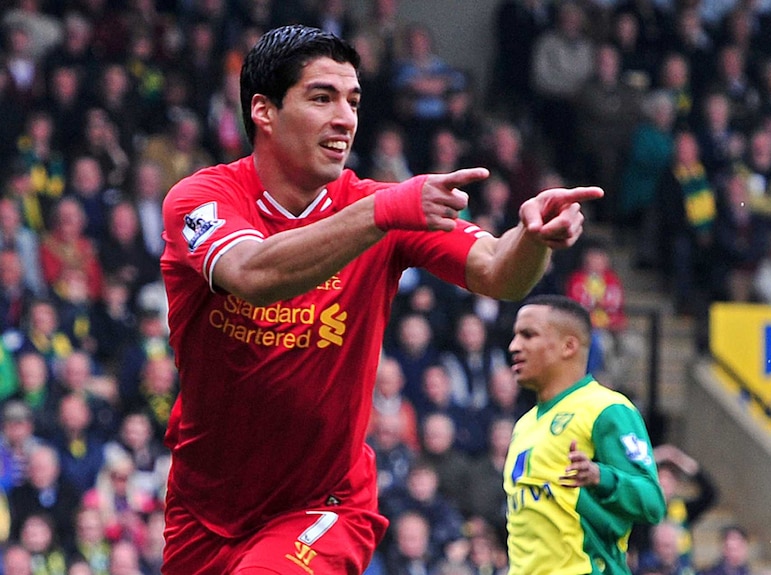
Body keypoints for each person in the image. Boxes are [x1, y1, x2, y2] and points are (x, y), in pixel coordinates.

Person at [159, 25, 602, 575]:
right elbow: (249, 272)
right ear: (263, 111)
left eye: (353, 101)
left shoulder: (380, 207)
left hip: (323, 503)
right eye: (321, 98)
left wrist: (532, 239)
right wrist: (382, 213)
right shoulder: (203, 199)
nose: (345, 118)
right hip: (202, 509)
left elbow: (497, 273)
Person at [504, 294, 665, 575]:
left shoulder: (605, 409)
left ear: (569, 346)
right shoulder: (524, 425)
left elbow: (652, 503)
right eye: (516, 335)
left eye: (528, 335)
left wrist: (600, 477)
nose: (514, 346)